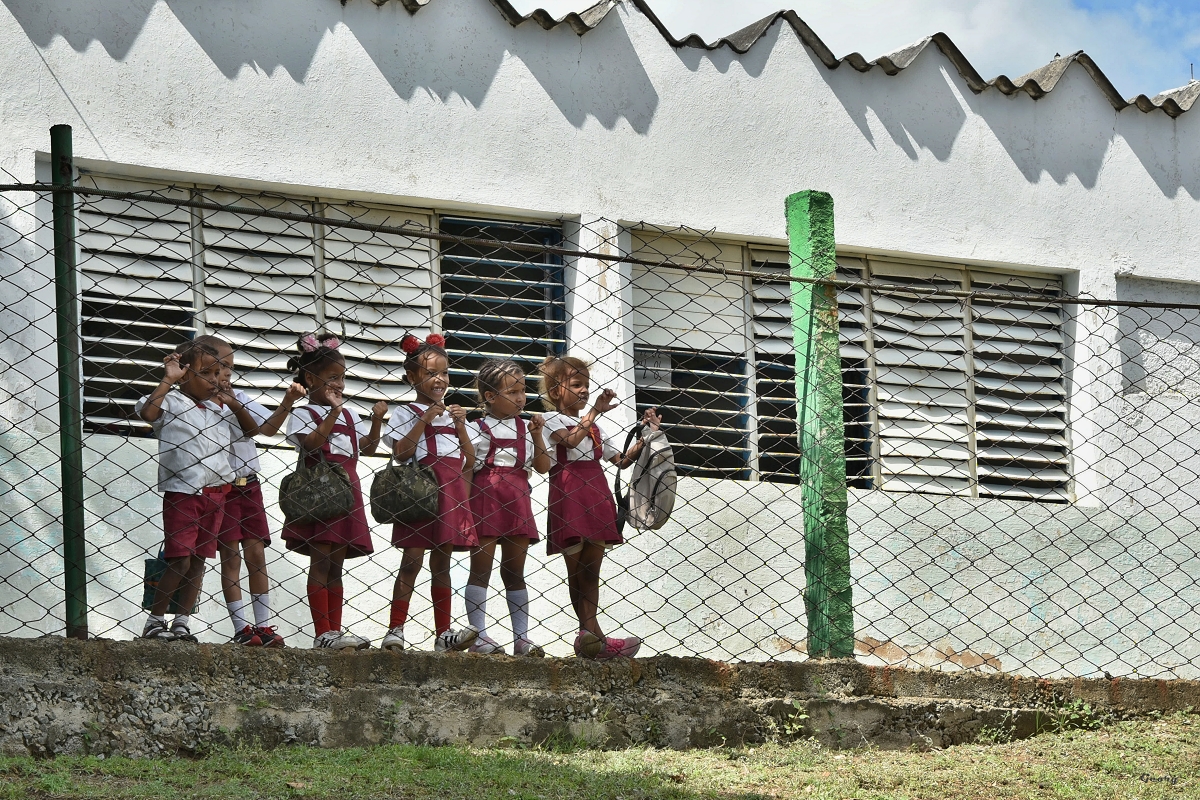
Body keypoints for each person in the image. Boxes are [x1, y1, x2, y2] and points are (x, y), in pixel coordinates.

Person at [135, 336, 259, 642]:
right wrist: (168, 380)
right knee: (180, 559)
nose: (214, 381)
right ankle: (154, 621)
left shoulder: (220, 409)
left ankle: (182, 622)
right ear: (185, 372)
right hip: (184, 494)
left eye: (218, 374)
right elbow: (147, 414)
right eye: (206, 373)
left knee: (199, 561)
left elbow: (252, 430)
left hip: (217, 495)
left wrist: (232, 401)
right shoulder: (173, 402)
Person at [539, 355, 660, 660]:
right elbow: (569, 441)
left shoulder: (596, 428)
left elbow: (619, 460)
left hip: (596, 495)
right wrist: (594, 411)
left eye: (586, 386)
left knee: (592, 570)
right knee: (575, 569)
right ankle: (592, 635)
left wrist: (644, 435)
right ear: (556, 392)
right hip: (568, 496)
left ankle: (591, 636)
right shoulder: (552, 422)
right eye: (576, 385)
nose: (584, 391)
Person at [282, 332, 387, 650]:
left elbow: (366, 448)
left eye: (341, 378)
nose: (339, 385)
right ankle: (322, 632)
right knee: (321, 562)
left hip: (347, 492)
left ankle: (335, 631)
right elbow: (312, 444)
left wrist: (377, 421)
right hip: (321, 492)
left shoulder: (351, 413)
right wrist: (332, 413)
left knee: (337, 567)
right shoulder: (303, 413)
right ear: (311, 379)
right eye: (331, 378)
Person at [380, 333, 479, 653]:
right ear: (412, 377)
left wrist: (461, 425)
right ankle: (395, 629)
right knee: (411, 560)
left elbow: (469, 458)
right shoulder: (406, 412)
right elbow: (401, 452)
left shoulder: (453, 415)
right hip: (418, 493)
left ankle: (443, 632)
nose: (439, 380)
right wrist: (424, 417)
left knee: (443, 563)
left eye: (444, 373)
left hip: (449, 493)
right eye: (430, 373)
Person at [215, 341, 307, 648]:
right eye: (216, 367)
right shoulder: (197, 403)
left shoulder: (238, 397)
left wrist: (287, 401)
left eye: (228, 366)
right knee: (230, 557)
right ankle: (242, 628)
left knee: (256, 554)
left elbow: (267, 429)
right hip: (220, 487)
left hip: (248, 485)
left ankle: (263, 626)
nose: (224, 373)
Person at [465, 359, 551, 656]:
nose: (520, 398)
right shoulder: (475, 428)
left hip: (517, 499)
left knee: (515, 570)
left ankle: (521, 639)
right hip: (484, 498)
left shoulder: (527, 430)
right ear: (490, 397)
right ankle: (479, 635)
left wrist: (538, 434)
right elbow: (468, 468)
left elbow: (542, 467)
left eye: (523, 390)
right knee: (481, 569)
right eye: (512, 391)